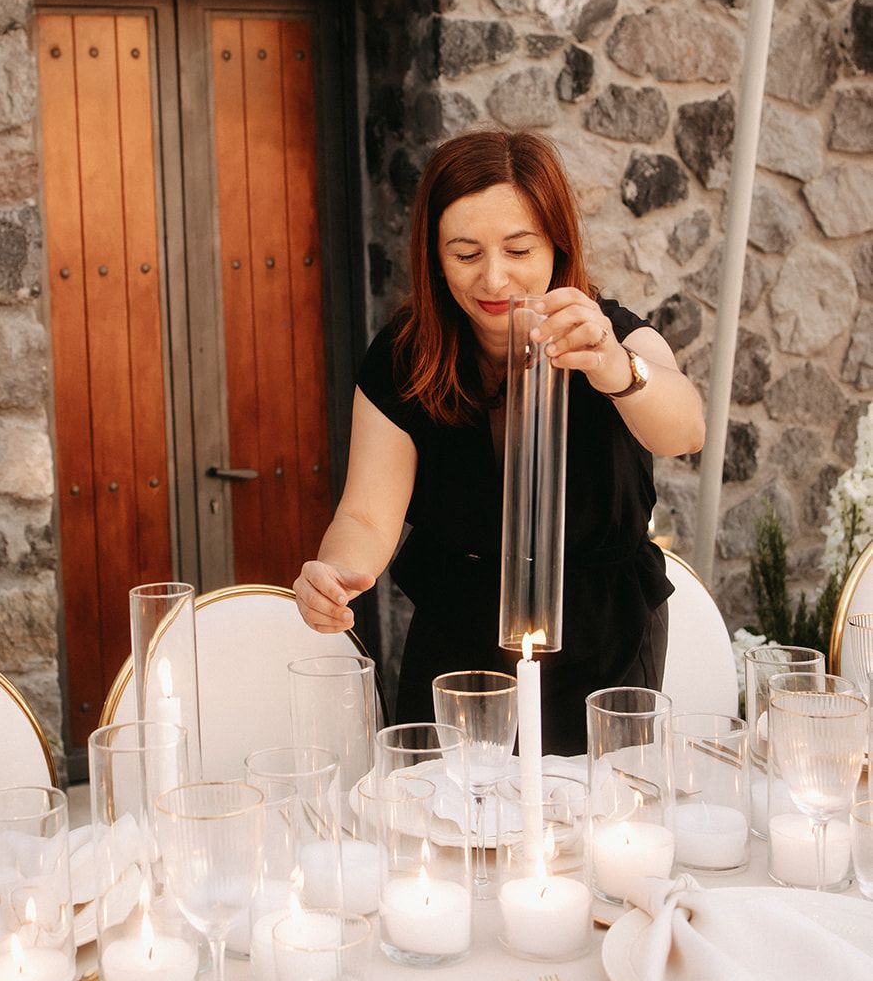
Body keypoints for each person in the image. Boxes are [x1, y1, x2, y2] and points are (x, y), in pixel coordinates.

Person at [293, 129, 705, 754]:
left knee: (594, 830)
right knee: (452, 829)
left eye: (519, 249)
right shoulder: (405, 357)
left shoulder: (611, 336)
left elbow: (684, 428)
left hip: (604, 640)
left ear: (556, 244)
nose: (495, 278)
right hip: (458, 647)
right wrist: (335, 574)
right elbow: (365, 514)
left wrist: (616, 369)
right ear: (433, 254)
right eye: (465, 254)